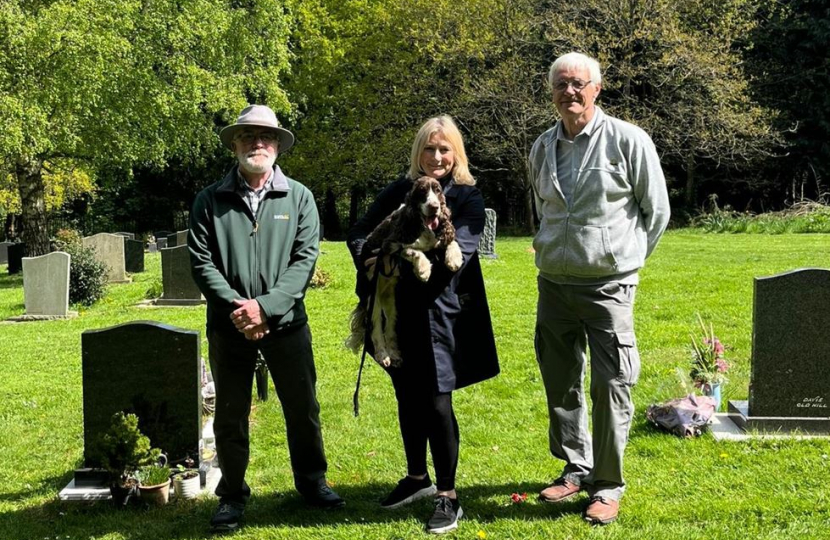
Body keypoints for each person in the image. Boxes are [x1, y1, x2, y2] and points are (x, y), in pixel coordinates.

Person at [528, 52, 670, 525]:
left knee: (612, 385)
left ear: (597, 88)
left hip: (609, 287)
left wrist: (624, 264)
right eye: (561, 85)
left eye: (578, 84)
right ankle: (575, 467)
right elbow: (541, 210)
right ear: (551, 93)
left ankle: (608, 485)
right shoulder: (541, 147)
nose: (570, 92)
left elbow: (657, 212)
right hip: (554, 286)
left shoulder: (628, 140)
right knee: (560, 380)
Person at [188, 104, 343, 533]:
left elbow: (304, 260)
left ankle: (312, 483)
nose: (259, 143)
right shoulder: (209, 200)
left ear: (278, 146)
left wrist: (267, 308)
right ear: (235, 143)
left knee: (303, 409)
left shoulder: (299, 198)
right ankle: (232, 497)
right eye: (249, 136)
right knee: (230, 415)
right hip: (230, 328)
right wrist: (241, 310)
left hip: (287, 324)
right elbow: (201, 263)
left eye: (267, 137)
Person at [347, 115, 499, 534]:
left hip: (441, 314)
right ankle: (417, 478)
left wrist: (398, 260)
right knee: (407, 395)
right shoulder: (400, 191)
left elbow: (459, 252)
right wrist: (371, 259)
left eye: (444, 149)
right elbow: (359, 231)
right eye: (429, 149)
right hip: (394, 315)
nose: (436, 157)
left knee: (436, 400)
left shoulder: (467, 197)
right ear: (419, 152)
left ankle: (448, 495)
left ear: (456, 154)